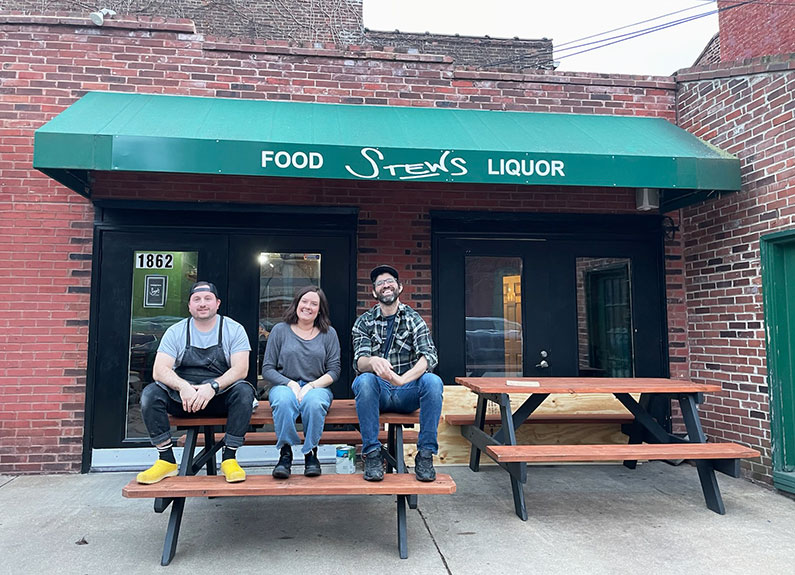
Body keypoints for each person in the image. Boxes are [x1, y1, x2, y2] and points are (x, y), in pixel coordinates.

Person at [136, 281, 255, 484]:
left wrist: (212, 387)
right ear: (189, 305)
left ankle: (229, 458)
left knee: (244, 392)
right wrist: (183, 387)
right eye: (196, 299)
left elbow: (240, 369)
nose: (202, 303)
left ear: (217, 303)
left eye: (207, 299)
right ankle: (166, 460)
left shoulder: (234, 330)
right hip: (184, 400)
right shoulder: (176, 331)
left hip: (218, 399)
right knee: (150, 394)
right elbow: (159, 370)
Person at [352, 265, 443, 482]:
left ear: (399, 287)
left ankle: (425, 455)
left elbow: (429, 356)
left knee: (433, 381)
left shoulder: (414, 319)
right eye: (380, 283)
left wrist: (403, 379)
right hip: (379, 391)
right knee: (363, 380)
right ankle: (373, 455)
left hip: (407, 390)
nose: (386, 285)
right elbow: (359, 361)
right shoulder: (364, 322)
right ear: (374, 292)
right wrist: (373, 361)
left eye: (390, 280)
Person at [262, 286, 341, 479]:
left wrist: (311, 386)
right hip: (283, 385)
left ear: (320, 309)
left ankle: (310, 453)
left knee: (314, 403)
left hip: (317, 386)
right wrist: (291, 384)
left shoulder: (328, 334)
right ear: (296, 303)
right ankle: (285, 454)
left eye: (314, 303)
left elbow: (334, 370)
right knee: (283, 401)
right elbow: (267, 369)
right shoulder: (280, 331)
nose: (308, 306)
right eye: (304, 301)